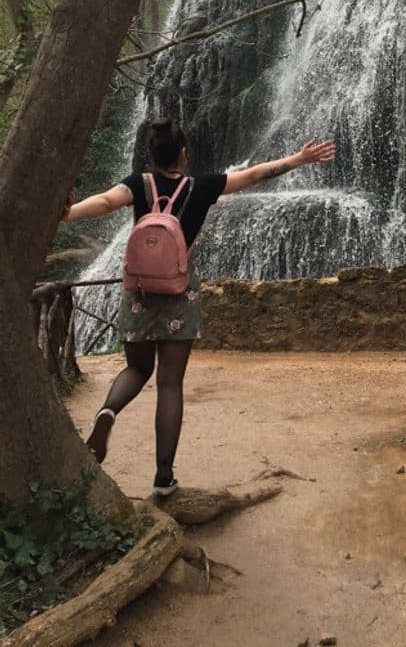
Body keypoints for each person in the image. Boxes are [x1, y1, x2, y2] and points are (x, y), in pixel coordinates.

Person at [62, 119, 335, 496]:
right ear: (185, 154)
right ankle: (163, 478)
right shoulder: (202, 186)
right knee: (170, 383)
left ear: (152, 156)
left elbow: (106, 202)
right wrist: (300, 159)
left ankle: (108, 410)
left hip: (139, 291)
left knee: (137, 368)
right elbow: (254, 175)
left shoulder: (138, 184)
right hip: (179, 292)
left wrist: (69, 213)